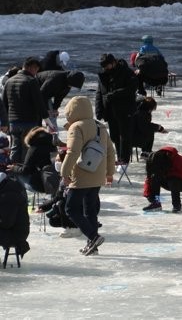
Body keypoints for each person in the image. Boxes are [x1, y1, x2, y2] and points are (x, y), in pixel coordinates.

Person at [60, 95, 116, 256]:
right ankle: (93, 247)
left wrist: (64, 173)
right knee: (90, 211)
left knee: (71, 208)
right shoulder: (100, 126)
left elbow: (73, 152)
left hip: (82, 174)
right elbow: (110, 151)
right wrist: (110, 173)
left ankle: (93, 236)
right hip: (98, 174)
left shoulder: (76, 127)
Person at [96, 53, 140, 169]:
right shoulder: (103, 75)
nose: (106, 69)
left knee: (125, 135)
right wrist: (99, 109)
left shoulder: (126, 72)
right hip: (110, 110)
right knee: (114, 136)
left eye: (107, 66)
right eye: (104, 67)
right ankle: (119, 158)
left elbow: (132, 88)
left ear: (114, 62)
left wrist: (114, 94)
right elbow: (100, 93)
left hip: (125, 109)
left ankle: (124, 160)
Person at [1, 57, 44, 164]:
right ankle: (24, 174)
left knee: (15, 148)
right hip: (28, 122)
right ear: (32, 68)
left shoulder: (9, 81)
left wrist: (5, 122)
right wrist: (46, 118)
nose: (36, 73)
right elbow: (38, 102)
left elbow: (4, 103)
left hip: (13, 123)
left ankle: (12, 173)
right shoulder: (31, 81)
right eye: (36, 70)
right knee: (26, 148)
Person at [8, 126, 61, 200]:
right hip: (56, 181)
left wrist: (14, 168)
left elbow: (26, 170)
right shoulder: (53, 146)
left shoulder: (34, 148)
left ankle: (20, 200)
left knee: (15, 174)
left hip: (42, 184)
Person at [141, 146, 182, 212]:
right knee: (155, 178)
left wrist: (168, 174)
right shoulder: (155, 160)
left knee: (173, 181)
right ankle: (156, 203)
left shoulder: (178, 160)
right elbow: (149, 179)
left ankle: (177, 206)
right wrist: (149, 195)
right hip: (170, 181)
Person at [0, 170, 30, 262]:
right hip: (14, 231)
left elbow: (7, 223)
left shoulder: (8, 195)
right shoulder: (8, 190)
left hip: (16, 235)